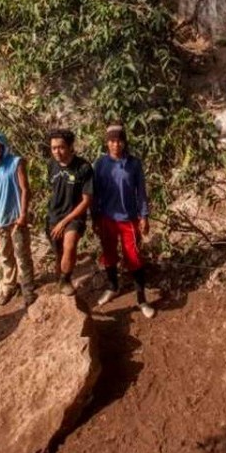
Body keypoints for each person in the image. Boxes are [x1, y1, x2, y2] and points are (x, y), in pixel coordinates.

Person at [93, 123, 155, 318]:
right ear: (107, 143)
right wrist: (94, 217)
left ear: (125, 142)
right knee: (109, 254)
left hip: (129, 219)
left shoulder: (134, 164)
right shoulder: (101, 164)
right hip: (107, 218)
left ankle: (141, 299)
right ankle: (113, 287)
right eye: (112, 141)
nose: (116, 144)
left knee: (134, 258)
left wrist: (143, 215)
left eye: (119, 140)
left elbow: (141, 192)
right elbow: (95, 194)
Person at [0, 130, 36, 307]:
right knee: (5, 256)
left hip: (15, 219)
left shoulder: (16, 162)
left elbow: (25, 189)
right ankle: (10, 286)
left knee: (22, 254)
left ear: (3, 145)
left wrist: (23, 215)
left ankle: (28, 287)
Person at [45, 128, 93, 296]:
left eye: (61, 147)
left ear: (71, 146)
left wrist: (65, 221)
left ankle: (66, 280)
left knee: (70, 245)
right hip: (54, 216)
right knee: (59, 253)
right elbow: (53, 190)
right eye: (53, 148)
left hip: (74, 216)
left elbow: (87, 200)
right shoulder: (51, 165)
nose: (57, 151)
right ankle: (61, 279)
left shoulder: (83, 167)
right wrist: (55, 218)